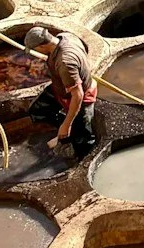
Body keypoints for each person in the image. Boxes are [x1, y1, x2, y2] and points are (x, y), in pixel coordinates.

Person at [23, 25, 99, 158]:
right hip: (62, 89)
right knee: (37, 110)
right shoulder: (66, 36)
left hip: (81, 98)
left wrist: (67, 124)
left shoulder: (65, 62)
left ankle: (71, 137)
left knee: (83, 140)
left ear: (42, 46)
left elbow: (78, 95)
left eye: (35, 49)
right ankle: (65, 130)